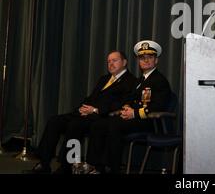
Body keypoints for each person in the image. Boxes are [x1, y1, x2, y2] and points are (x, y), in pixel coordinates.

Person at [29, 50, 137, 174]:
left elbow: (120, 104)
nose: (110, 64)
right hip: (87, 113)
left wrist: (95, 110)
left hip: (102, 117)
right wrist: (82, 108)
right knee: (55, 121)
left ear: (124, 62)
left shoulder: (130, 81)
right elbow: (91, 98)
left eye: (114, 60)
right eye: (108, 61)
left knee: (75, 125)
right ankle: (44, 163)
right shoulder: (104, 79)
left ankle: (66, 166)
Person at [82, 40, 172, 174]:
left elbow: (159, 105)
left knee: (114, 125)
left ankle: (114, 169)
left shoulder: (159, 80)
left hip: (148, 121)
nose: (145, 60)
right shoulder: (140, 80)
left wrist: (134, 113)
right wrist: (125, 109)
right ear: (138, 61)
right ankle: (95, 165)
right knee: (100, 124)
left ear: (156, 60)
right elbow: (130, 99)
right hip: (134, 119)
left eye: (149, 57)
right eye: (142, 58)